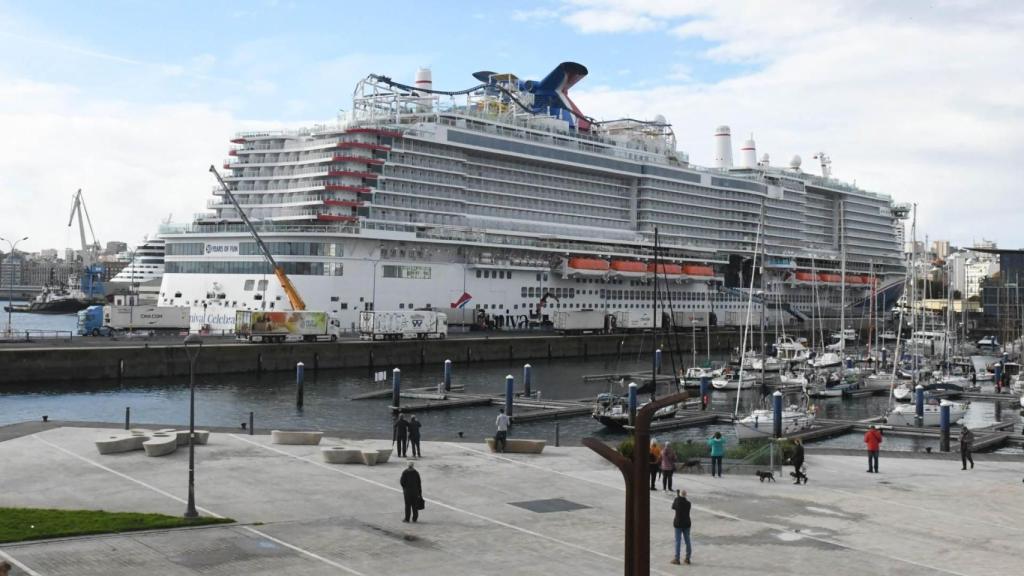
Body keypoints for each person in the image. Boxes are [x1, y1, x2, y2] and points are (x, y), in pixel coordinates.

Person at [671, 489, 692, 565]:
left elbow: (673, 507)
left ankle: (677, 559)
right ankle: (688, 558)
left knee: (678, 541)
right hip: (687, 524)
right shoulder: (688, 503)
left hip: (678, 524)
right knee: (687, 541)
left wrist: (677, 498)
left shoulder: (677, 501)